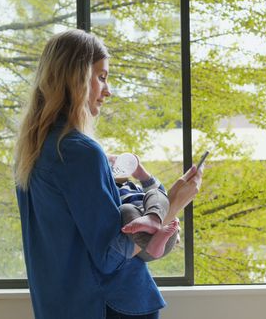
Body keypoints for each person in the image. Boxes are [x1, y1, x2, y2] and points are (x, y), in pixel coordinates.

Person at [14, 29, 203, 319]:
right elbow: (110, 256)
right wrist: (174, 200)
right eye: (101, 77)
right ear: (74, 78)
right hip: (110, 308)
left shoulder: (33, 151)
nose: (108, 90)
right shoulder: (79, 152)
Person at [110, 154, 181, 261]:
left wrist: (141, 174)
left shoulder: (136, 187)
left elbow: (163, 195)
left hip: (163, 227)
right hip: (140, 245)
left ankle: (153, 218)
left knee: (156, 193)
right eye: (110, 164)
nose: (115, 165)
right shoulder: (109, 189)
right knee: (126, 209)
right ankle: (154, 243)